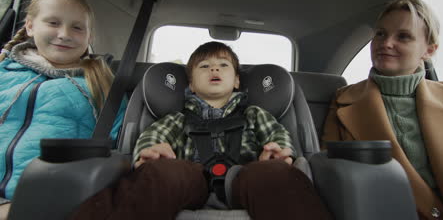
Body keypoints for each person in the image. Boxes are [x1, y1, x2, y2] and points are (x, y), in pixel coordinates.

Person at [71, 41, 332, 220]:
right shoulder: (178, 118)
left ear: (237, 81)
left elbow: (277, 134)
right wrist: (151, 151)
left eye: (223, 65)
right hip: (189, 179)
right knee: (160, 172)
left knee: (277, 174)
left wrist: (278, 151)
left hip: (244, 177)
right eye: (204, 67)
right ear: (192, 85)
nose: (214, 69)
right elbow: (155, 136)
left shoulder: (254, 113)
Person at [322, 0, 443, 220]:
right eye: (380, 33)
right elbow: (329, 175)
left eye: (403, 36)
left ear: (429, 50)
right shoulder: (343, 101)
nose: (386, 43)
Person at [0, 0, 126, 219]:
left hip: (49, 199)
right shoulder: (3, 72)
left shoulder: (102, 85)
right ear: (30, 26)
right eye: (53, 23)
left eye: (77, 27)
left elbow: (120, 144)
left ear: (89, 37)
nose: (64, 34)